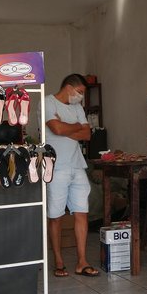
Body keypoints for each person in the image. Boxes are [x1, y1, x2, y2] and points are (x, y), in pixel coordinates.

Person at [45, 73, 98, 277]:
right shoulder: (48, 102)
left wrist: (68, 128)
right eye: (80, 92)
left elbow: (87, 134)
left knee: (81, 212)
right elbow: (55, 128)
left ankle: (82, 261)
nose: (81, 97)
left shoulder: (76, 108)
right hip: (56, 167)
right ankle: (59, 262)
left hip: (77, 166)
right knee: (56, 216)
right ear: (69, 87)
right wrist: (76, 127)